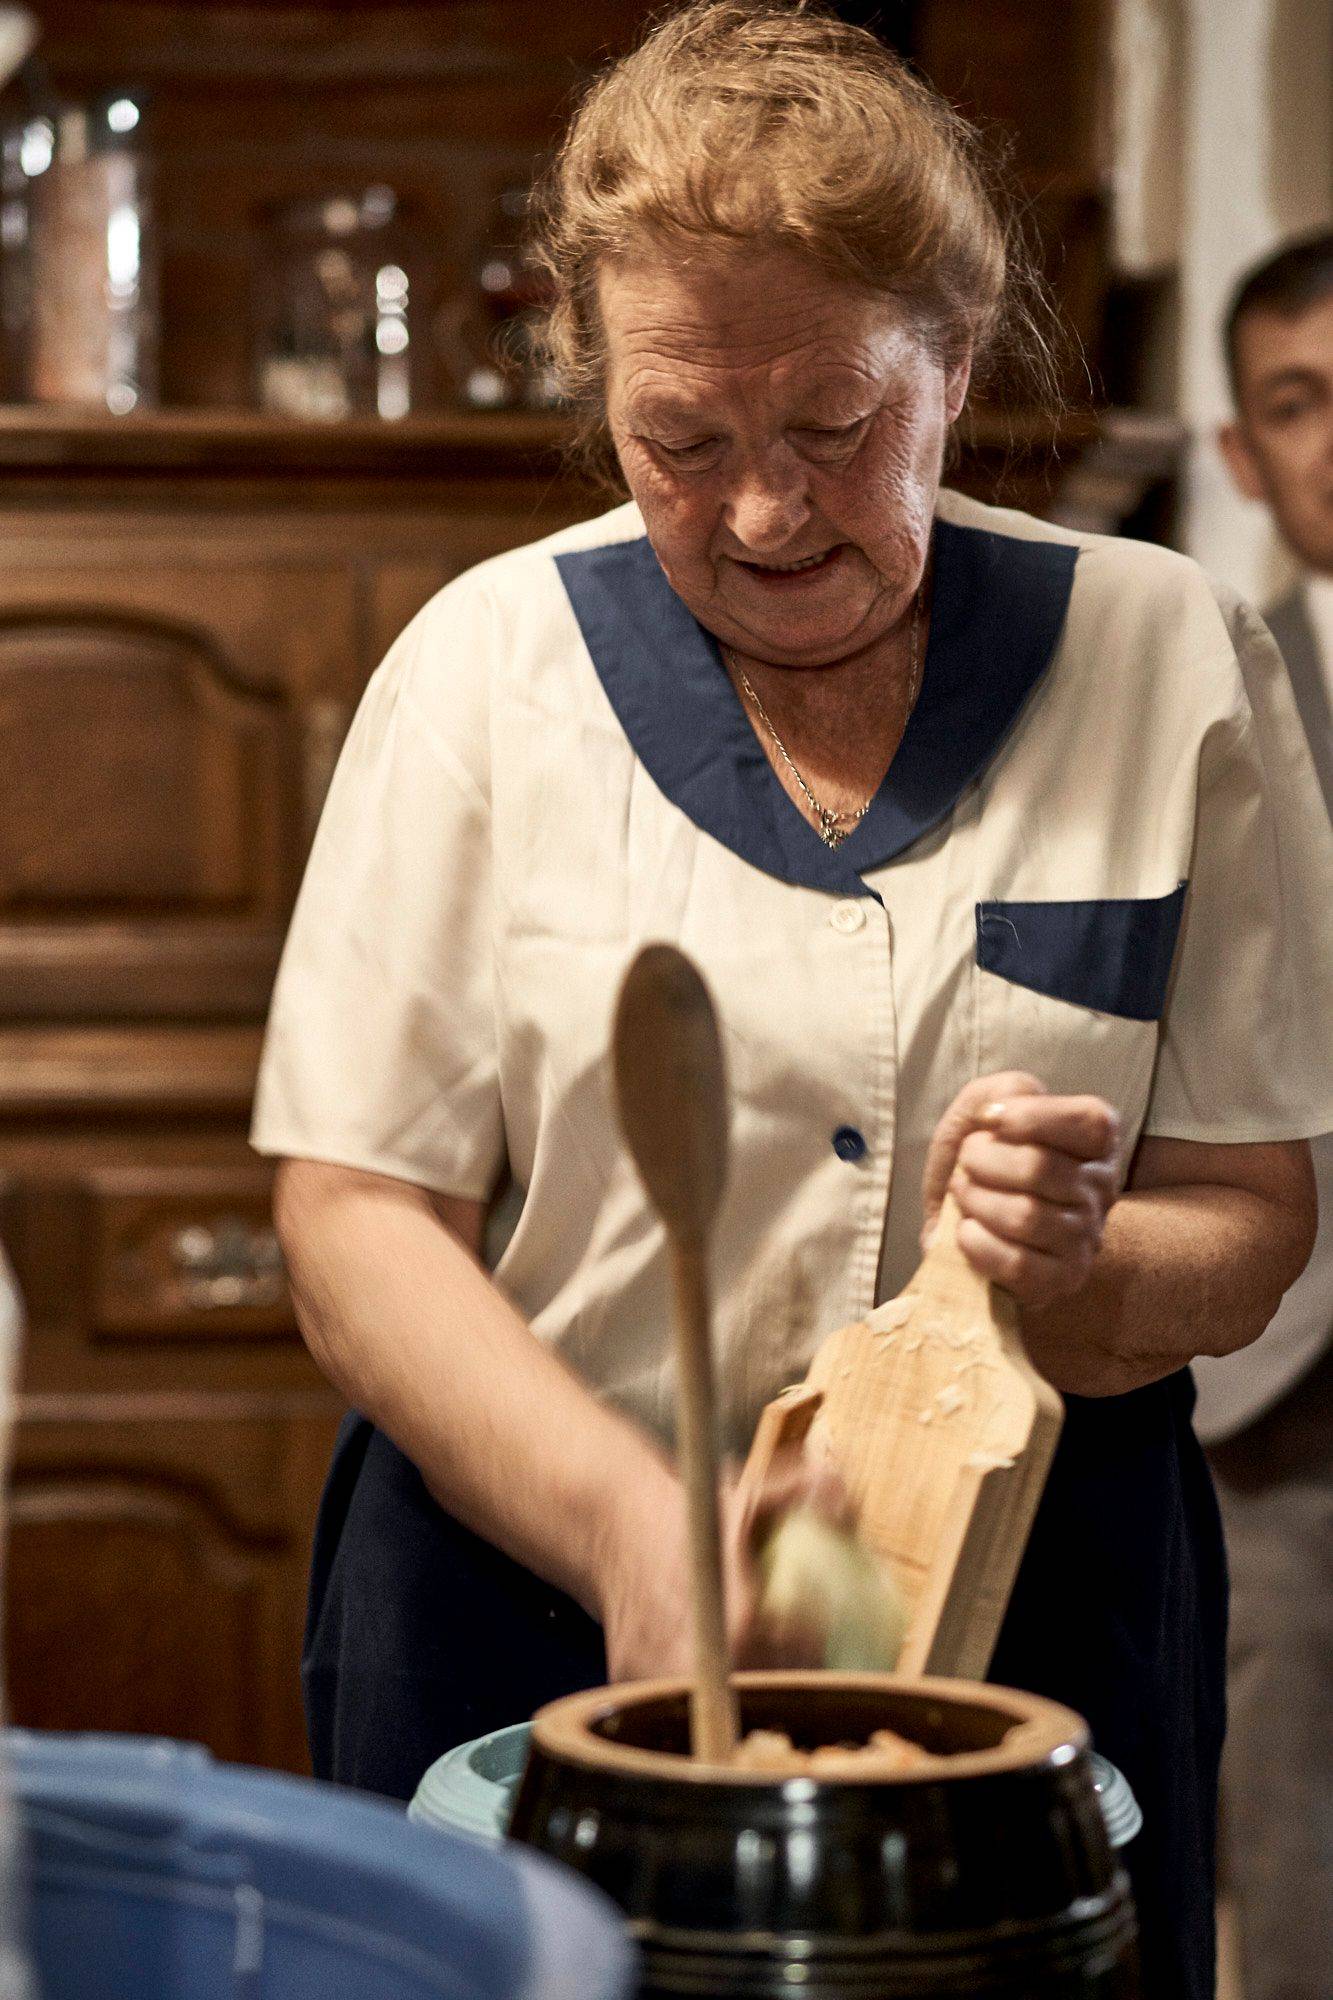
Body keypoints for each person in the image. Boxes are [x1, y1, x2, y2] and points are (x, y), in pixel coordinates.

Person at [250, 9, 1333, 1998]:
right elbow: (351, 1216)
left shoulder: (1168, 658)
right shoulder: (480, 674)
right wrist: (629, 1531)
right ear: (600, 392)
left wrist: (1085, 1273)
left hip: (1041, 1621)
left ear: (960, 352)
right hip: (532, 1592)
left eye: (833, 430)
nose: (762, 513)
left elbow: (1255, 1209)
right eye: (682, 443)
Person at [1204, 229, 1333, 2000]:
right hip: (1280, 1378)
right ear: (1240, 452)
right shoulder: (1205, 687)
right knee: (1291, 1870)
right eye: (1297, 401)